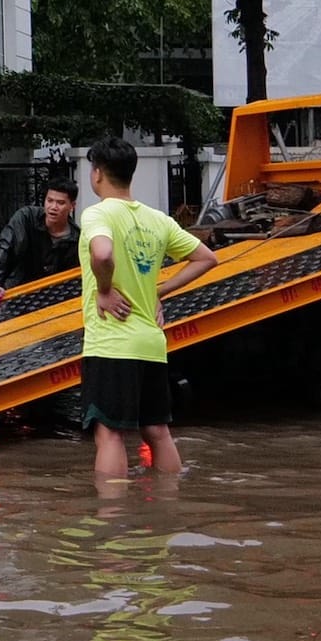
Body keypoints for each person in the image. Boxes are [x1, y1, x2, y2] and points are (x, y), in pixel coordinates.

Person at [78, 135, 219, 484]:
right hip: (152, 344)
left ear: (97, 173)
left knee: (109, 433)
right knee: (157, 431)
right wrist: (158, 291)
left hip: (112, 343)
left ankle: (112, 513)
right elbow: (206, 258)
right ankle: (168, 503)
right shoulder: (158, 220)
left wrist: (105, 290)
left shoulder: (97, 213)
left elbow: (102, 254)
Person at [0, 176, 80, 307]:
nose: (53, 207)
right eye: (49, 200)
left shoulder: (77, 239)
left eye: (60, 203)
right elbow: (5, 247)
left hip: (53, 304)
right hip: (15, 295)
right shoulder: (26, 217)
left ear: (72, 206)